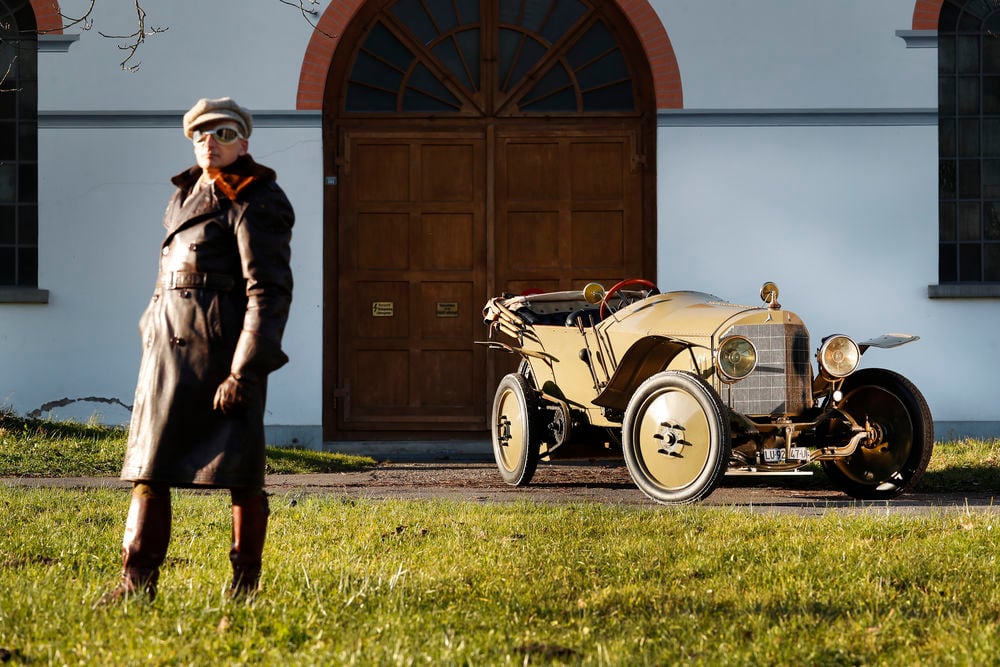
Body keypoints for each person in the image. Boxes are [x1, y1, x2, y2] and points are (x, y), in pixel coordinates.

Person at [101, 97, 294, 603]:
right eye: (202, 134)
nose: (212, 142)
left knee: (241, 473)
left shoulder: (257, 198)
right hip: (167, 350)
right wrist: (150, 324)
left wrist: (245, 371)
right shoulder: (184, 194)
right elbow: (169, 273)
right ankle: (135, 582)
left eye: (225, 133)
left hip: (223, 351)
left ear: (244, 143)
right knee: (149, 467)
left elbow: (268, 292)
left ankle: (244, 586)